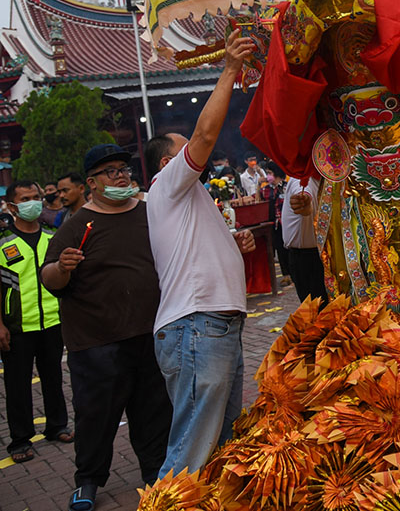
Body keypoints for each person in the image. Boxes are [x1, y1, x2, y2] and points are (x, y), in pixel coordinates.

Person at [143, 34, 259, 479]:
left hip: (215, 323)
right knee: (192, 449)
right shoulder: (167, 186)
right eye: (181, 150)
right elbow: (206, 133)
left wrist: (237, 246)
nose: (196, 155)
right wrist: (229, 69)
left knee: (221, 448)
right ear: (165, 165)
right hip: (197, 325)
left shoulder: (192, 199)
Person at [41, 143, 172, 507]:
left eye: (123, 168)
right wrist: (63, 267)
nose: (120, 175)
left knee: (153, 411)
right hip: (97, 341)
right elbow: (49, 277)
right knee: (96, 417)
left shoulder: (149, 211)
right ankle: (88, 481)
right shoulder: (77, 224)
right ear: (92, 183)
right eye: (110, 171)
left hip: (149, 332)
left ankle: (155, 473)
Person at [0, 180, 72, 464]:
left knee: (53, 376)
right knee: (17, 385)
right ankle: (20, 440)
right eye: (25, 198)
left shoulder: (52, 238)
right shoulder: (4, 243)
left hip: (53, 322)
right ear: (11, 206)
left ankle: (57, 426)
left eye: (36, 197)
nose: (33, 202)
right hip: (17, 327)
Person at [281, 177, 327, 304]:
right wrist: (303, 203)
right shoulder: (300, 179)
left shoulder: (326, 179)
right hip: (307, 258)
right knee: (317, 310)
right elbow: (303, 196)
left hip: (321, 254)